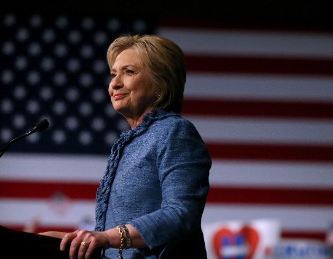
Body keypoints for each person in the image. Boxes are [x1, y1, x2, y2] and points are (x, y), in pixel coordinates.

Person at [40, 34, 212, 259]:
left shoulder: (175, 132)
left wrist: (107, 238)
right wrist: (73, 239)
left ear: (159, 83)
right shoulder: (129, 142)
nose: (114, 84)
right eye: (113, 74)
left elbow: (181, 214)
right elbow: (118, 235)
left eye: (129, 72)